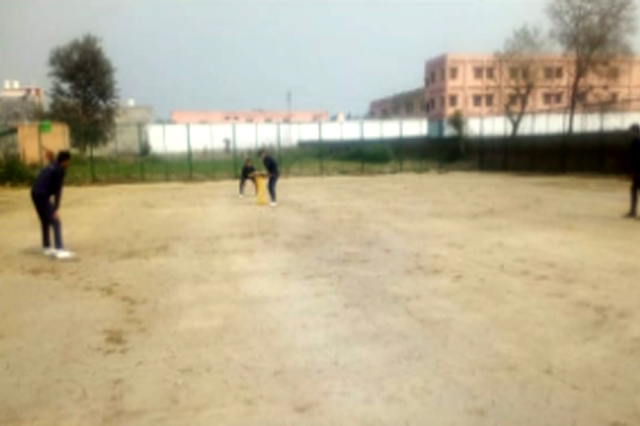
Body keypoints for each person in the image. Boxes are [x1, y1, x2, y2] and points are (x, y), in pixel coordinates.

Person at [31, 151, 74, 259]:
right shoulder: (59, 170)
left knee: (45, 221)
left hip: (35, 193)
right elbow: (58, 190)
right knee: (56, 222)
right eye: (68, 161)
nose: (69, 164)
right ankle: (59, 249)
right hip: (42, 195)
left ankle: (47, 247)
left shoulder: (52, 165)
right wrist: (55, 209)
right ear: (64, 161)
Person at [626, 124, 640, 218]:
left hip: (638, 170)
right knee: (633, 189)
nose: (630, 133)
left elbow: (636, 158)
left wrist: (636, 171)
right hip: (637, 170)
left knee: (634, 190)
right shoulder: (635, 142)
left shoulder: (636, 142)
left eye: (631, 131)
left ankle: (633, 211)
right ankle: (632, 211)